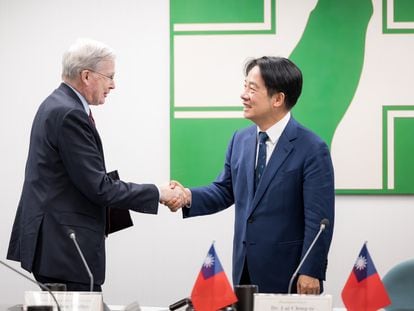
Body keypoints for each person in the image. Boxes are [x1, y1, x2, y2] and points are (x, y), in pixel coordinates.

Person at [7, 38, 184, 291]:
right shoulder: (69, 113)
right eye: (110, 77)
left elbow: (81, 180)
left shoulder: (59, 105)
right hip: (64, 249)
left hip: (58, 246)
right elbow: (98, 187)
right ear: (87, 76)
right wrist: (158, 192)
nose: (114, 85)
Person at [168, 56, 335, 294]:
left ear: (278, 99)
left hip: (291, 273)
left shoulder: (312, 148)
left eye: (252, 88)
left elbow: (319, 218)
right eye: (245, 86)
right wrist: (186, 196)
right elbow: (224, 190)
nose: (243, 95)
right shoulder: (240, 139)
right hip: (244, 267)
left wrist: (311, 270)